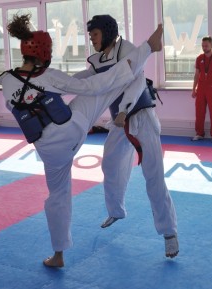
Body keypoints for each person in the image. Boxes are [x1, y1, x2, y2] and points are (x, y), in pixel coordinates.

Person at [0, 13, 163, 268]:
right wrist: (144, 49)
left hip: (48, 151)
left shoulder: (5, 81)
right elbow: (90, 85)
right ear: (44, 52)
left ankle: (58, 255)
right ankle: (150, 48)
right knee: (106, 85)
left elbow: (36, 92)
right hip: (71, 131)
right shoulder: (47, 76)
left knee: (57, 196)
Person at [74, 15, 178, 258]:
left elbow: (138, 80)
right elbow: (87, 77)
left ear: (107, 31)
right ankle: (116, 211)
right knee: (110, 165)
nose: (91, 39)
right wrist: (55, 81)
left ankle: (169, 233)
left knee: (153, 176)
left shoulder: (128, 49)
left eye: (94, 34)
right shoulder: (100, 59)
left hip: (142, 117)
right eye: (90, 35)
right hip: (119, 123)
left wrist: (124, 110)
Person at [192, 36, 212, 143]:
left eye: (206, 45)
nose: (204, 47)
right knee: (199, 111)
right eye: (202, 46)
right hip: (201, 88)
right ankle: (199, 133)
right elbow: (196, 75)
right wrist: (194, 89)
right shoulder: (199, 58)